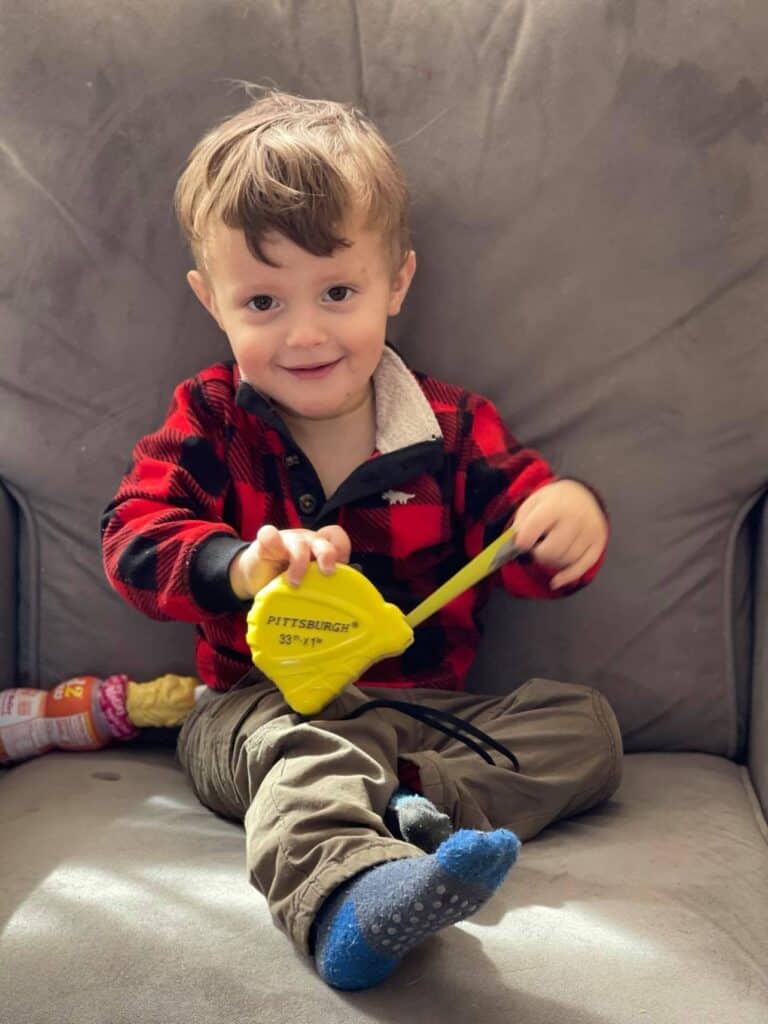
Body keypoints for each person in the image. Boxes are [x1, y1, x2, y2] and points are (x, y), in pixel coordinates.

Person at [101, 88, 622, 992]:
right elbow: (132, 537)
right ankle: (353, 899)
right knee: (310, 754)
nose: (306, 334)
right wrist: (239, 563)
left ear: (397, 283)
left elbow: (521, 538)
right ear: (211, 301)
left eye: (338, 291)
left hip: (420, 713)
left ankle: (417, 805)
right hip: (255, 712)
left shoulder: (452, 428)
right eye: (262, 301)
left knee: (586, 728)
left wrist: (565, 519)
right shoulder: (212, 420)